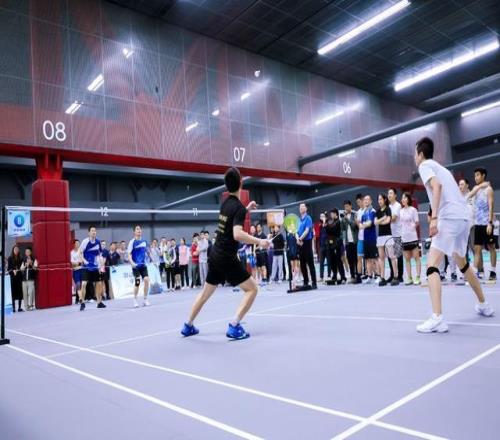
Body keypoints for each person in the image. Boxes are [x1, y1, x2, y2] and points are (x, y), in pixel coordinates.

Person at [414, 137, 494, 333]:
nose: (414, 157)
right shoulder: (442, 168)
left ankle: (437, 318)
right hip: (463, 219)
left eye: (415, 154)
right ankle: (484, 305)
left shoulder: (424, 166)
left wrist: (434, 218)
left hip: (449, 218)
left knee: (432, 265)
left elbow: (437, 186)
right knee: (462, 263)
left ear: (421, 154)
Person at [181, 167, 269, 340]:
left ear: (226, 186)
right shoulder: (238, 208)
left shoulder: (225, 203)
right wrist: (259, 241)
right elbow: (237, 234)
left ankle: (188, 325)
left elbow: (233, 217)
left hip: (215, 254)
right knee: (252, 289)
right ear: (241, 183)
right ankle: (234, 326)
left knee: (205, 293)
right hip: (227, 257)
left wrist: (246, 209)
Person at [469, 169, 496, 281]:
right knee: (477, 249)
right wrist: (480, 186)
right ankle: (476, 272)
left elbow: (491, 206)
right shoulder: (476, 188)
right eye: (475, 175)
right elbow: (468, 195)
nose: (476, 177)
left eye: (478, 175)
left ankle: (493, 272)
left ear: (483, 175)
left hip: (487, 223)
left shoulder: (489, 189)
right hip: (477, 224)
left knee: (491, 247)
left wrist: (490, 223)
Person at [79, 226, 106, 311]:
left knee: (98, 284)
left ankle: (99, 302)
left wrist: (100, 265)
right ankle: (82, 303)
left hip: (95, 267)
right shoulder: (85, 241)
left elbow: (100, 254)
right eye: (92, 231)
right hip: (86, 267)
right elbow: (80, 252)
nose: (94, 232)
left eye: (95, 231)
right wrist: (84, 261)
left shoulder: (98, 242)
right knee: (84, 284)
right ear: (89, 233)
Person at [375, 194, 398, 286]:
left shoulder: (388, 209)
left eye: (381, 199)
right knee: (381, 258)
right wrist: (383, 218)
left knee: (392, 256)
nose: (379, 201)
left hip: (388, 236)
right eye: (378, 199)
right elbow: (375, 222)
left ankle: (395, 277)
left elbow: (388, 221)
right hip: (380, 237)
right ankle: (382, 277)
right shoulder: (377, 211)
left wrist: (380, 221)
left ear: (384, 200)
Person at [400, 192, 421, 285]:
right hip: (404, 238)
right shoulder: (401, 211)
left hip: (412, 237)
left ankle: (418, 277)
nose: (403, 199)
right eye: (402, 198)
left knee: (416, 258)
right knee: (407, 259)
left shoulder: (413, 210)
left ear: (408, 199)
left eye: (405, 198)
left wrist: (411, 227)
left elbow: (417, 222)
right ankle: (409, 277)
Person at [127, 225, 150, 307]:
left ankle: (145, 299)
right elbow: (129, 254)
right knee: (137, 281)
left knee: (146, 280)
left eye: (140, 229)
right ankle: (135, 299)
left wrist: (152, 260)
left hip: (143, 265)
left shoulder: (144, 241)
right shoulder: (132, 242)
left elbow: (147, 252)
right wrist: (132, 263)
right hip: (135, 265)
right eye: (137, 229)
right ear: (134, 232)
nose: (139, 230)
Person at [296, 203, 317, 289]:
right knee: (302, 264)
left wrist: (300, 238)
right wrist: (297, 239)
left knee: (310, 263)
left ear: (306, 208)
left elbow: (307, 230)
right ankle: (305, 281)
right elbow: (296, 231)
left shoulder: (308, 218)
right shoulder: (298, 220)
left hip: (307, 242)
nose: (301, 208)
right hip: (300, 243)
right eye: (300, 207)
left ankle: (314, 282)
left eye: (302, 207)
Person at [359, 196, 378, 284]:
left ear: (371, 201)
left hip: (372, 238)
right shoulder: (364, 213)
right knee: (367, 259)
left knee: (374, 258)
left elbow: (370, 223)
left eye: (367, 200)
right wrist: (364, 225)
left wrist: (364, 225)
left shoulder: (373, 211)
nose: (366, 201)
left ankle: (377, 275)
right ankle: (369, 276)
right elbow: (360, 225)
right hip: (365, 238)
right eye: (365, 200)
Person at [388, 188, 404, 283]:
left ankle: (400, 276)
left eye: (391, 193)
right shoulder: (388, 206)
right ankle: (392, 275)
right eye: (388, 193)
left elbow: (393, 218)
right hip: (389, 235)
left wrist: (384, 219)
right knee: (390, 256)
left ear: (395, 195)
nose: (389, 195)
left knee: (399, 255)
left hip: (397, 234)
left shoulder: (398, 205)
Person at [326, 209, 346, 285]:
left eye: (332, 214)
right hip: (331, 243)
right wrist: (326, 225)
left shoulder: (338, 222)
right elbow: (328, 231)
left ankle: (343, 277)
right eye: (330, 214)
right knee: (332, 261)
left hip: (337, 243)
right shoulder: (331, 222)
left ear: (335, 214)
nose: (331, 215)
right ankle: (334, 275)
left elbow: (333, 230)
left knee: (338, 260)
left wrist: (327, 225)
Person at [342, 200, 359, 283]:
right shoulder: (344, 216)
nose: (346, 208)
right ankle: (352, 276)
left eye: (347, 206)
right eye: (345, 207)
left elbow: (353, 225)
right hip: (347, 241)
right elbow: (343, 228)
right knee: (349, 259)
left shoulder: (355, 214)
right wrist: (342, 219)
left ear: (351, 206)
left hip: (355, 240)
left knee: (356, 259)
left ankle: (357, 275)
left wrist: (347, 219)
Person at [8, 245, 24, 312]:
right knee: (13, 292)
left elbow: (22, 267)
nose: (16, 250)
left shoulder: (21, 258)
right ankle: (13, 308)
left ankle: (19, 307)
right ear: (13, 250)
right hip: (13, 277)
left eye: (17, 249)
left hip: (19, 277)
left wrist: (21, 269)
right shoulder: (10, 258)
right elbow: (9, 268)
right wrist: (12, 271)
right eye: (15, 249)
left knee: (20, 292)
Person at [355, 194, 366, 281]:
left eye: (359, 202)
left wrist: (360, 222)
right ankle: (359, 275)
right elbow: (358, 224)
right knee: (359, 257)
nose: (358, 204)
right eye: (357, 202)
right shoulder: (358, 212)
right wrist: (357, 222)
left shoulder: (368, 210)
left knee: (369, 258)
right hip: (360, 237)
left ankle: (370, 274)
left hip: (368, 237)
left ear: (363, 200)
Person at [317, 212, 330, 282]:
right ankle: (321, 276)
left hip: (328, 245)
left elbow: (328, 230)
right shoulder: (319, 225)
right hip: (321, 246)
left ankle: (329, 275)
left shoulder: (328, 224)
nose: (321, 217)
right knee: (321, 262)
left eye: (323, 216)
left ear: (326, 217)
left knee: (329, 261)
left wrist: (325, 222)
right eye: (320, 216)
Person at [71, 239, 83, 305]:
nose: (78, 244)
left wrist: (78, 263)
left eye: (78, 243)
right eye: (76, 243)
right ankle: (79, 299)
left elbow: (82, 261)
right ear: (74, 244)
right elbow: (72, 263)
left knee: (81, 285)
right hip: (76, 271)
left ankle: (79, 298)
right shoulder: (71, 253)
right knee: (78, 284)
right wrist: (78, 263)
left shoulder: (81, 251)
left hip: (82, 270)